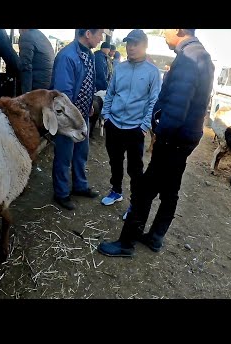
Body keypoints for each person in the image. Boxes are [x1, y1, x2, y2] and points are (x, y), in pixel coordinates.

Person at [97, 29, 214, 257]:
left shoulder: (189, 59)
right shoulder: (201, 56)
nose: (164, 33)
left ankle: (126, 243)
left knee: (144, 190)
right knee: (171, 190)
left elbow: (177, 105)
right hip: (185, 138)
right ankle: (155, 237)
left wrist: (159, 132)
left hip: (173, 140)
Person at [100, 29, 161, 216]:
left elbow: (153, 101)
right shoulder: (120, 68)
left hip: (135, 128)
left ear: (144, 46)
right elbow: (110, 92)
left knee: (135, 169)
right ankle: (116, 191)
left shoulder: (152, 72)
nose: (130, 47)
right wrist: (106, 115)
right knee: (115, 161)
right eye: (128, 43)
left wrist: (144, 126)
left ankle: (134, 204)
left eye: (135, 44)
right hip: (114, 124)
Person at [50, 29, 104, 210]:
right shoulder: (67, 56)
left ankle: (80, 185)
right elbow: (63, 96)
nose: (101, 38)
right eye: (100, 33)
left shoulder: (88, 54)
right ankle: (62, 193)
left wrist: (88, 104)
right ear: (88, 33)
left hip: (82, 116)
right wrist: (72, 118)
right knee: (64, 156)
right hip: (69, 119)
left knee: (81, 152)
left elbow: (88, 83)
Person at [18, 29, 55, 94]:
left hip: (37, 86)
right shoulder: (39, 35)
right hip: (48, 83)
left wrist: (26, 94)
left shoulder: (26, 36)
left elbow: (25, 66)